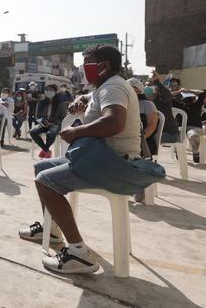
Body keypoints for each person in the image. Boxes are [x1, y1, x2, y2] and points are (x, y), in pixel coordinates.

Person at [19, 44, 141, 274]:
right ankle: (53, 229)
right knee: (41, 167)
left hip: (114, 163)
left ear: (103, 66)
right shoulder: (105, 86)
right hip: (100, 157)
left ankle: (79, 253)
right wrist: (83, 97)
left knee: (45, 180)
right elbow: (94, 96)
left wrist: (76, 132)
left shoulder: (112, 87)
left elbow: (114, 122)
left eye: (87, 64)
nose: (83, 69)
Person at [29, 84, 67, 158]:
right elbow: (37, 116)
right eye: (47, 90)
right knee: (32, 132)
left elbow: (63, 118)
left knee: (51, 133)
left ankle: (44, 150)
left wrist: (52, 123)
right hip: (43, 123)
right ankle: (46, 150)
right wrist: (42, 122)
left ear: (55, 92)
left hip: (55, 124)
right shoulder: (41, 102)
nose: (48, 92)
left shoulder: (60, 103)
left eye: (51, 90)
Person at [171, 86, 206, 163]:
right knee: (177, 134)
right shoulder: (178, 105)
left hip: (195, 128)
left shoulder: (197, 105)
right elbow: (167, 95)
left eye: (191, 97)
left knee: (192, 135)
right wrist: (179, 91)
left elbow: (203, 93)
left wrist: (189, 90)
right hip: (181, 127)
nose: (189, 99)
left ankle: (196, 152)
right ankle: (179, 152)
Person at [127, 78, 159, 156]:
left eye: (133, 89)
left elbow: (151, 127)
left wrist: (136, 141)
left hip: (144, 143)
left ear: (139, 91)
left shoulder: (147, 105)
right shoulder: (121, 105)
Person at [146, 71, 179, 143]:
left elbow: (166, 94)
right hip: (155, 132)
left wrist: (157, 81)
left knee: (148, 139)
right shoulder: (146, 102)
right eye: (147, 86)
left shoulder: (163, 100)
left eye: (151, 86)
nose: (148, 88)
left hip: (169, 134)